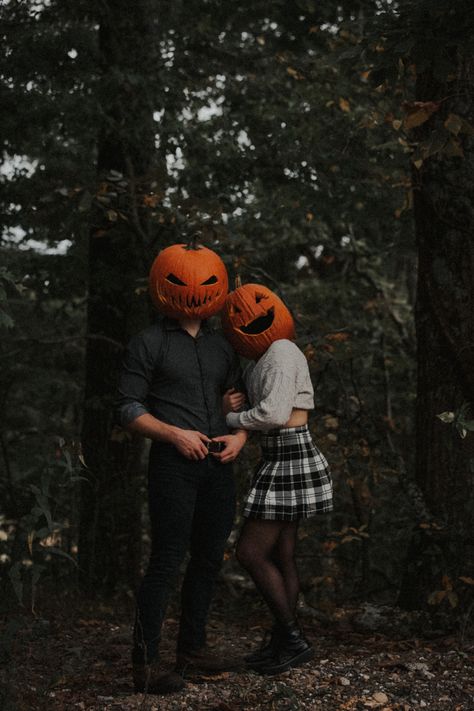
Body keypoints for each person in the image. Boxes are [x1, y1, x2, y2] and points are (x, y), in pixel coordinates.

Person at [116, 243, 247, 694]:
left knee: (209, 558)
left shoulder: (223, 345)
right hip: (173, 465)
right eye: (180, 280)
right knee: (167, 560)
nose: (193, 290)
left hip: (218, 465)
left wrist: (241, 436)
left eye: (207, 282)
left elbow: (239, 404)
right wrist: (175, 434)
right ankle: (147, 662)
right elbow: (128, 409)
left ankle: (192, 648)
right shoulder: (148, 343)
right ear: (162, 284)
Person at [221, 282, 333, 676]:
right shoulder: (259, 359)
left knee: (250, 553)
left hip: (290, 452)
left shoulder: (282, 351)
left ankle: (292, 638)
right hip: (279, 453)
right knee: (281, 554)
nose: (247, 321)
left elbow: (271, 414)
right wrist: (232, 403)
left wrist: (232, 419)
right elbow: (262, 406)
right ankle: (285, 640)